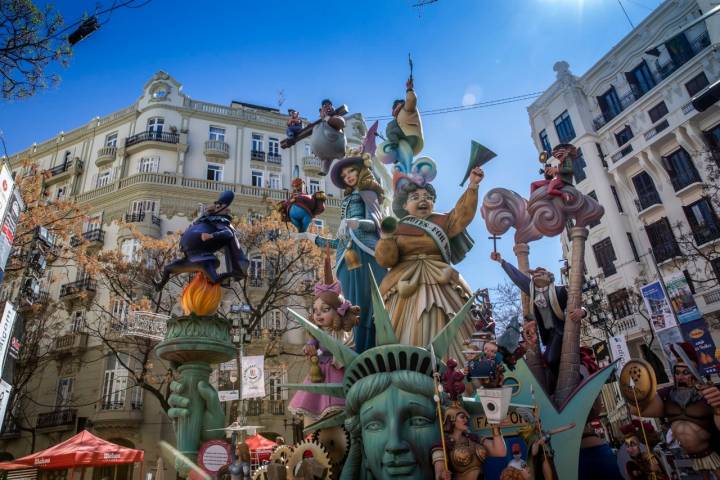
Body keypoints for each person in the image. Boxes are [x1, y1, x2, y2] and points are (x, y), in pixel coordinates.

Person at [374, 166, 484, 360]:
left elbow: (462, 214)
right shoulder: (397, 227)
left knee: (453, 319)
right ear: (405, 206)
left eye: (427, 197)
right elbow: (386, 260)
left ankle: (456, 369)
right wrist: (386, 238)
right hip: (404, 279)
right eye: (415, 197)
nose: (422, 200)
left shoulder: (442, 221)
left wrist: (473, 186)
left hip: (442, 276)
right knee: (403, 325)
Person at [303, 152, 387, 352]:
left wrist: (352, 222)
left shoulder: (368, 193)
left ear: (361, 171)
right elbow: (339, 241)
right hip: (347, 258)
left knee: (367, 306)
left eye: (351, 171)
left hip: (365, 251)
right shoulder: (347, 200)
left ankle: (370, 350)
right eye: (344, 175)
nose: (348, 176)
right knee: (351, 307)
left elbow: (375, 224)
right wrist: (310, 237)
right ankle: (358, 351)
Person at [623, 342, 720, 479]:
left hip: (712, 453)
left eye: (685, 372)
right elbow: (638, 410)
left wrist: (718, 407)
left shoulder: (708, 393)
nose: (680, 376)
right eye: (677, 372)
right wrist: (639, 388)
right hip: (686, 459)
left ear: (694, 372)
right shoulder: (667, 395)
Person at [287, 250, 359, 425]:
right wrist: (309, 349)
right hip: (318, 373)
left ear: (337, 312)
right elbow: (312, 344)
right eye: (315, 310)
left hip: (338, 373)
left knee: (338, 410)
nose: (318, 315)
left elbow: (347, 351)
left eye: (325, 310)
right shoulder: (317, 334)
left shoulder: (342, 333)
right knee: (312, 411)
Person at [491, 252, 584, 375]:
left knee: (551, 359)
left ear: (549, 277)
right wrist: (501, 261)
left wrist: (582, 311)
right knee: (547, 359)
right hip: (548, 335)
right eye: (535, 274)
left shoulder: (560, 291)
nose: (536, 275)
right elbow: (517, 277)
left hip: (562, 330)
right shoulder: (533, 292)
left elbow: (576, 304)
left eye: (541, 273)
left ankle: (573, 376)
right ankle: (559, 381)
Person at [158, 190, 248, 288]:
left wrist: (211, 236)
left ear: (224, 210)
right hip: (190, 257)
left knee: (214, 278)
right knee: (167, 269)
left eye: (218, 206)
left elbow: (228, 233)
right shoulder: (205, 220)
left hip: (204, 258)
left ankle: (229, 276)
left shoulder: (221, 222)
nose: (212, 208)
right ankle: (160, 285)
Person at [432, 404, 506, 480]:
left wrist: (496, 428)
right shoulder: (443, 444)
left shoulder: (474, 438)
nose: (466, 420)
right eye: (462, 417)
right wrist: (443, 476)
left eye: (466, 418)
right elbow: (439, 474)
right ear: (452, 419)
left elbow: (500, 452)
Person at [380, 77, 425, 170]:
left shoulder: (406, 108)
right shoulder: (398, 118)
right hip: (406, 137)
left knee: (390, 131)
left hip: (409, 134)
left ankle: (395, 148)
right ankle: (398, 157)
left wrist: (409, 89)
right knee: (390, 127)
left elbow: (411, 99)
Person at [310, 99, 346, 175]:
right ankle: (324, 171)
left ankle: (344, 165)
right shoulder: (318, 125)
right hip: (323, 152)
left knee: (339, 159)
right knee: (326, 160)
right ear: (321, 111)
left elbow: (340, 123)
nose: (327, 107)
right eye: (324, 106)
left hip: (336, 146)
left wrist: (327, 118)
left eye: (329, 106)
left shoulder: (334, 117)